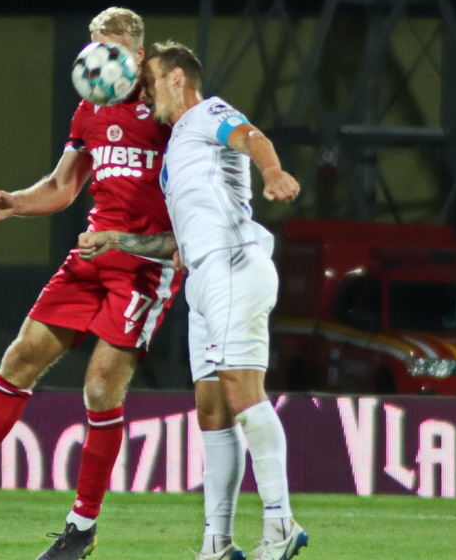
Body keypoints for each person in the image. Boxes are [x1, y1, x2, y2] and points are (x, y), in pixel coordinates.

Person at [0, 7, 182, 560]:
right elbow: (63, 186)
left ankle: (81, 528)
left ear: (138, 55)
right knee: (20, 357)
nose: (99, 61)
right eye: (93, 49)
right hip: (91, 255)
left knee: (100, 388)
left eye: (112, 50)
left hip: (145, 265)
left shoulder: (166, 105)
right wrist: (15, 203)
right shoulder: (90, 108)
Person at [76, 41, 307, 560]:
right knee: (212, 410)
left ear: (177, 78)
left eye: (150, 81)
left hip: (233, 264)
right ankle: (216, 543)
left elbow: (251, 136)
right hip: (202, 277)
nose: (144, 92)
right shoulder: (176, 152)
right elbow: (175, 247)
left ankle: (280, 524)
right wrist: (115, 240)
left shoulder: (207, 113)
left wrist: (272, 171)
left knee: (243, 392)